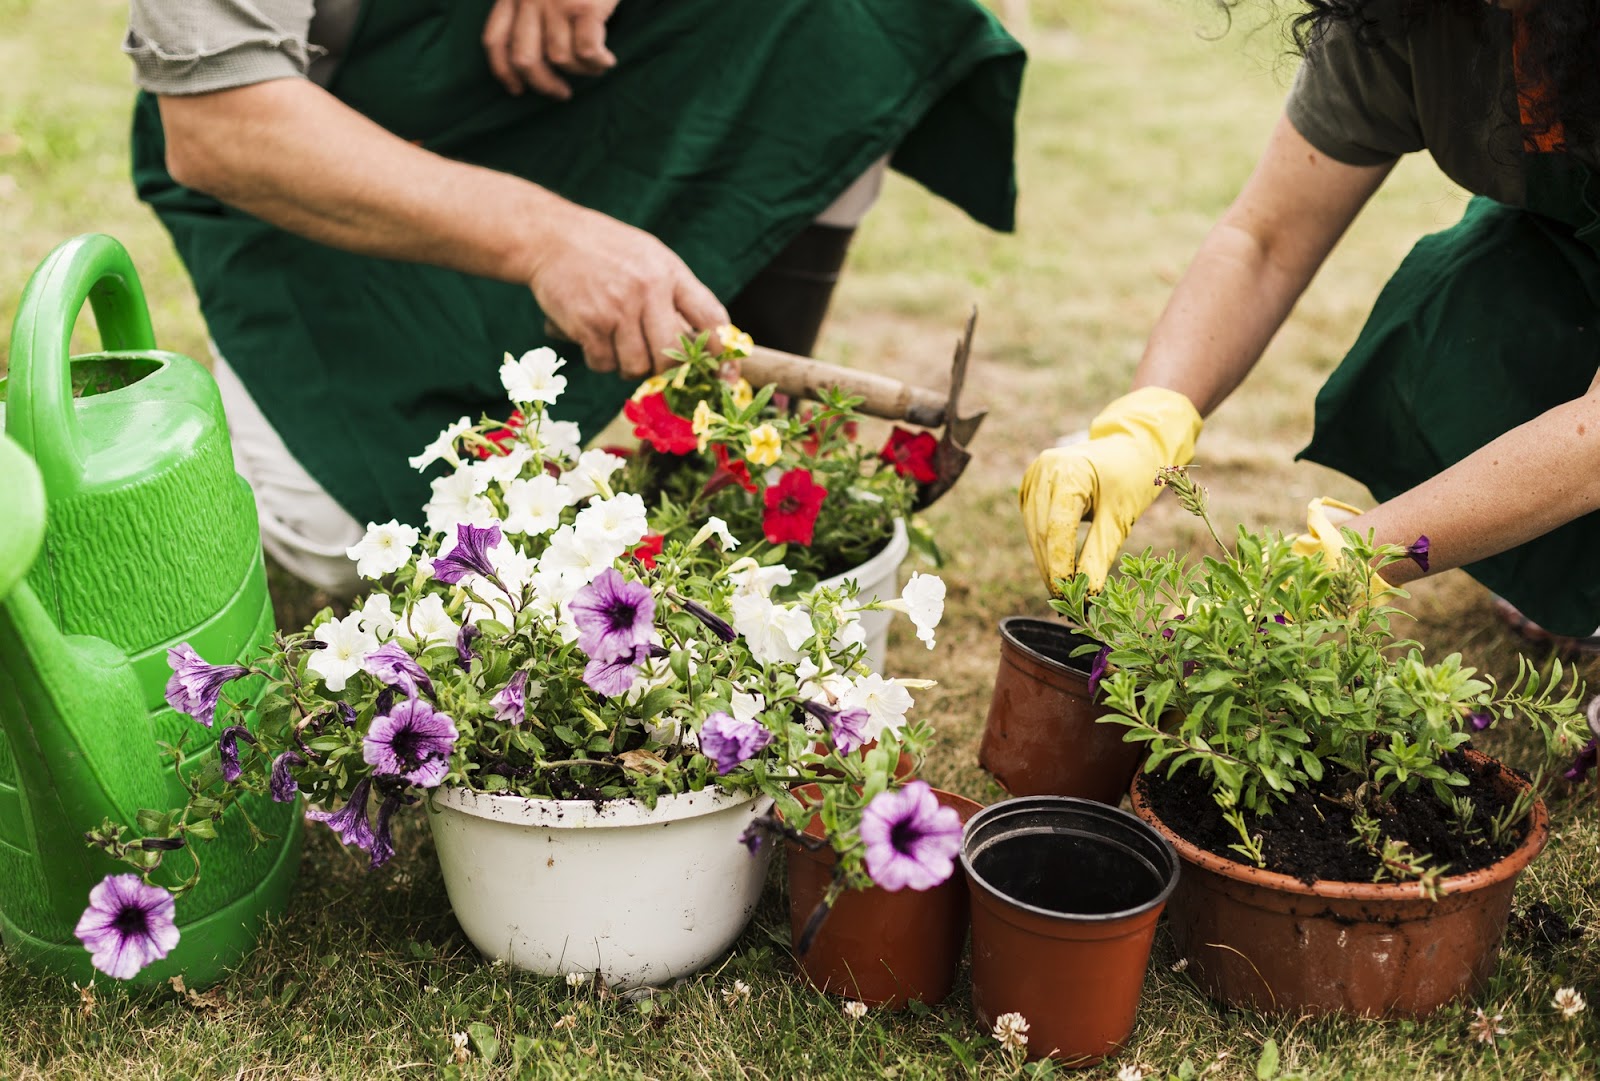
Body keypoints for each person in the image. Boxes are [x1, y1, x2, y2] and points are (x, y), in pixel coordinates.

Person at [125, 0, 1025, 591]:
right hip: (324, 149)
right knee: (356, 534)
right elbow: (223, 123)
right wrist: (549, 239)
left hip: (547, 65)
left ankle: (736, 461)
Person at [1021, 0, 1600, 646]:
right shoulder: (1407, 16)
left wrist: (1351, 556)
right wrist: (1142, 428)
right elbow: (1264, 241)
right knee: (1453, 328)